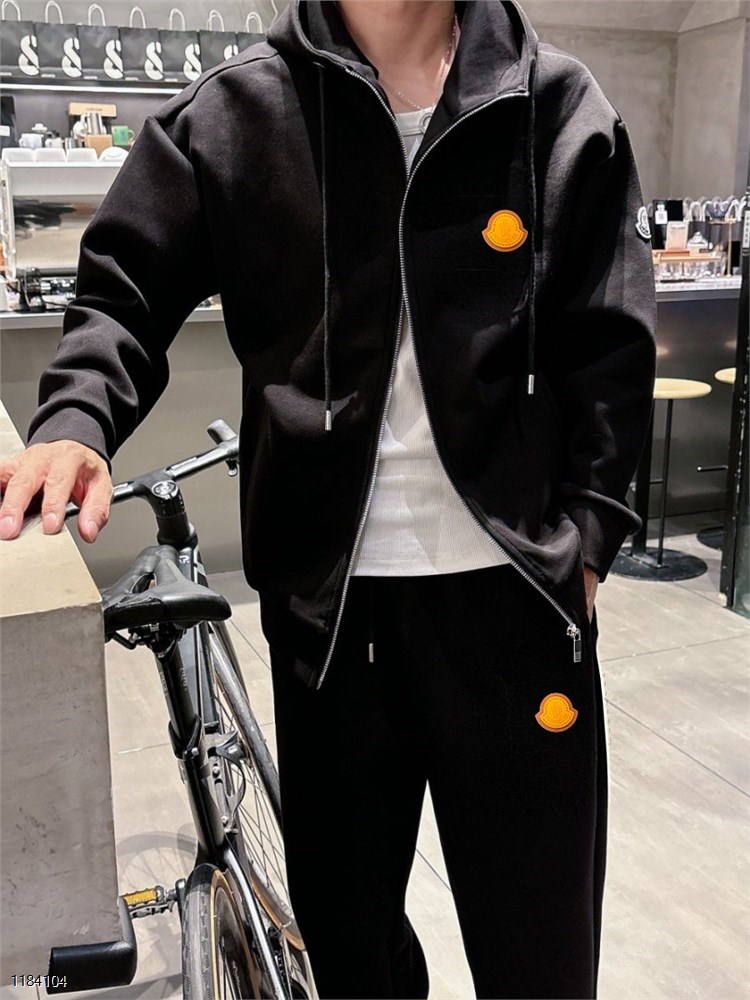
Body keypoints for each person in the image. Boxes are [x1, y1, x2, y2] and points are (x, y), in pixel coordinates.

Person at [0, 1, 657, 996]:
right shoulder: (237, 114)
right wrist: (76, 417)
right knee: (351, 955)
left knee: (542, 958)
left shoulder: (555, 105)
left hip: (517, 609)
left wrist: (590, 543)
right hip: (331, 620)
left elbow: (610, 343)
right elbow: (123, 287)